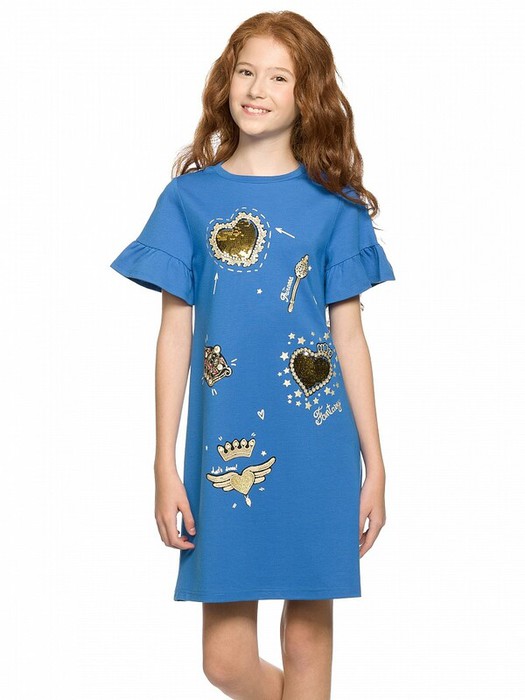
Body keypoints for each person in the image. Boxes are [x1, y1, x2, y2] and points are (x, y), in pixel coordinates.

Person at [110, 10, 396, 699]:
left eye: (278, 77)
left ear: (308, 95)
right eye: (245, 72)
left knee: (307, 643)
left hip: (317, 446)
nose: (257, 89)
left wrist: (376, 464)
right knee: (226, 661)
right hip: (222, 452)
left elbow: (349, 338)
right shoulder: (189, 200)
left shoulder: (335, 207)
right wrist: (162, 462)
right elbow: (174, 334)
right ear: (226, 81)